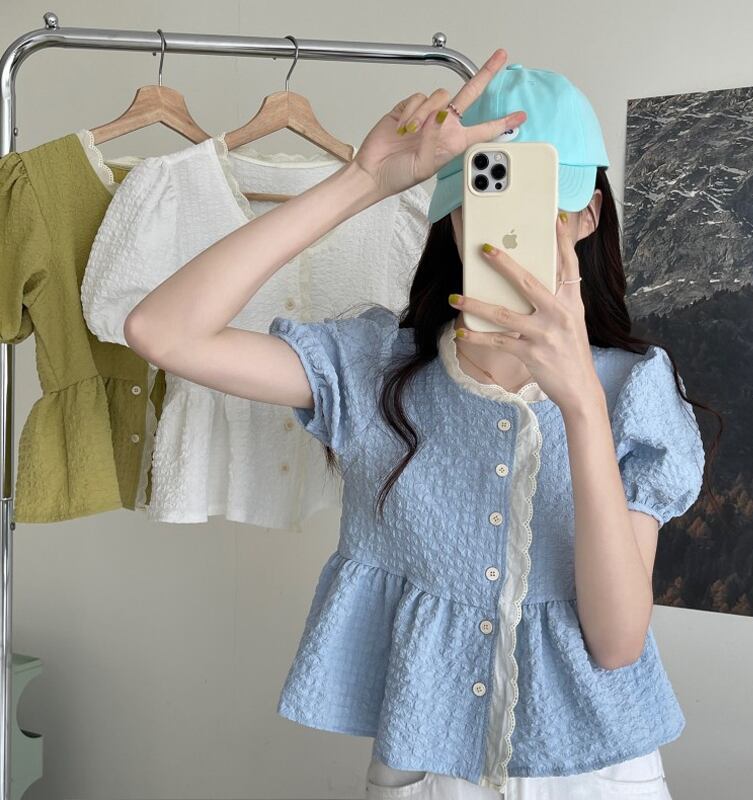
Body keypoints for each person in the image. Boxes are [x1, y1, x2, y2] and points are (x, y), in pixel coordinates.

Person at [123, 48, 706, 799]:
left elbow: (618, 643)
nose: (510, 235)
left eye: (544, 205)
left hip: (599, 773)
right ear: (452, 216)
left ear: (588, 214)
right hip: (425, 773)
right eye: (485, 203)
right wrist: (363, 181)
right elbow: (161, 332)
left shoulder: (633, 389)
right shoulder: (372, 369)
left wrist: (583, 406)